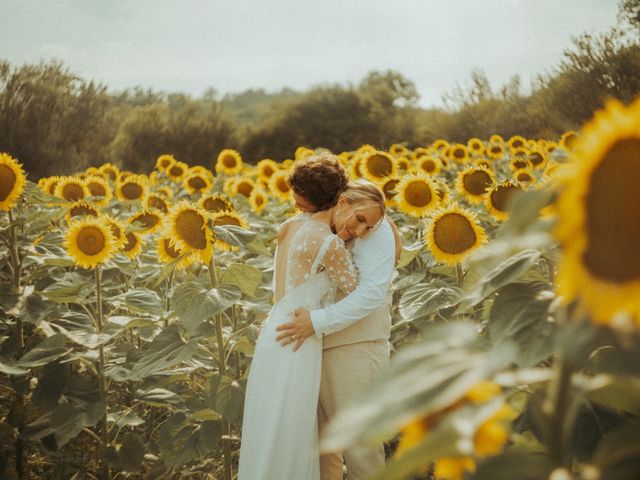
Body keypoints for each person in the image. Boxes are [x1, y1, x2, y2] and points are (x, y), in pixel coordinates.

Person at [237, 153, 386, 480]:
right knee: (297, 436)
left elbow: (283, 285)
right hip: (301, 339)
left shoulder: (287, 227)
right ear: (339, 199)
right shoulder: (329, 244)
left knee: (272, 430)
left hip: (274, 333)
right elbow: (353, 288)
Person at [275, 177, 399, 480]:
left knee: (361, 449)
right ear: (341, 202)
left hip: (355, 347)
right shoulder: (313, 227)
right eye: (358, 221)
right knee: (320, 453)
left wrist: (317, 322)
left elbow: (371, 293)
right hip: (313, 347)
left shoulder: (377, 229)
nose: (360, 230)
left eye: (364, 223)